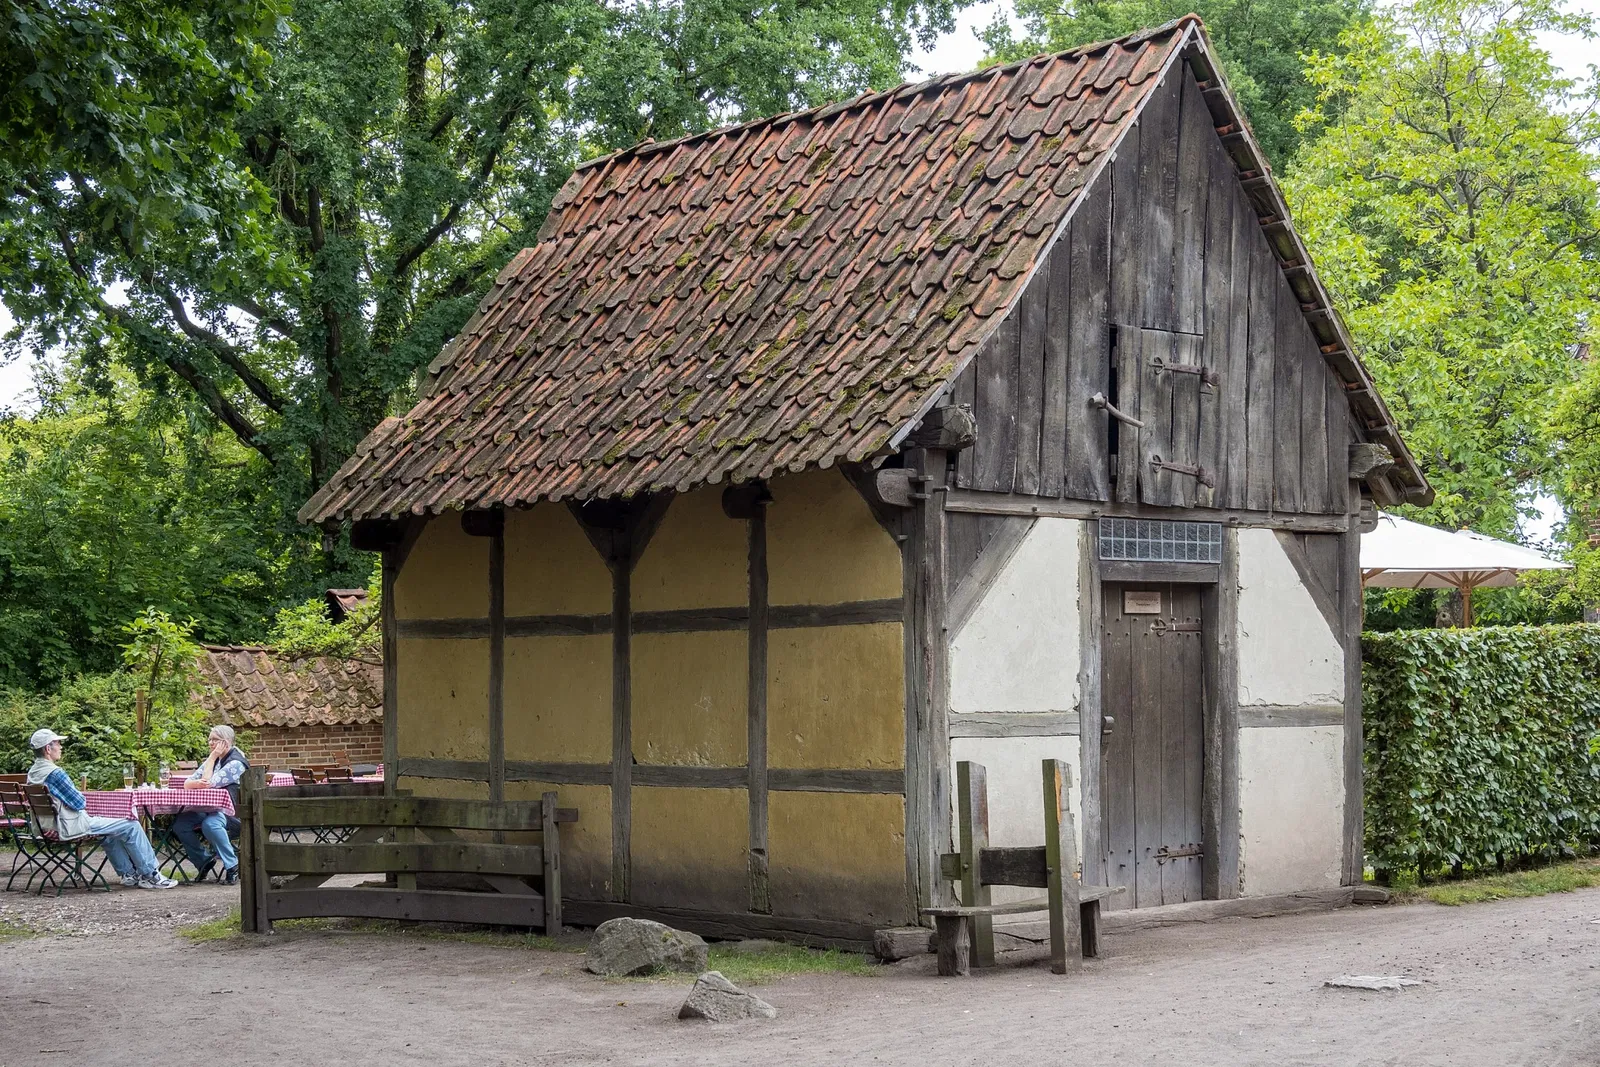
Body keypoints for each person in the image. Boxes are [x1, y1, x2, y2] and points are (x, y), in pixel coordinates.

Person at [24, 728, 179, 889]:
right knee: (131, 824)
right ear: (48, 749)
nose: (61, 746)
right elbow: (79, 803)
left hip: (44, 828)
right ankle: (151, 875)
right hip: (67, 827)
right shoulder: (55, 773)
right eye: (58, 743)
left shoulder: (33, 773)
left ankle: (129, 874)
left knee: (111, 831)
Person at [172, 724, 248, 884]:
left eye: (215, 740)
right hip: (210, 808)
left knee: (210, 824)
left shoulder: (236, 763)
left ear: (226, 742)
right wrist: (197, 780)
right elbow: (187, 782)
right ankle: (204, 861)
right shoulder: (214, 759)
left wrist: (212, 758)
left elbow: (208, 782)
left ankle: (232, 865)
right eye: (210, 739)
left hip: (232, 813)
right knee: (181, 824)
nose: (210, 743)